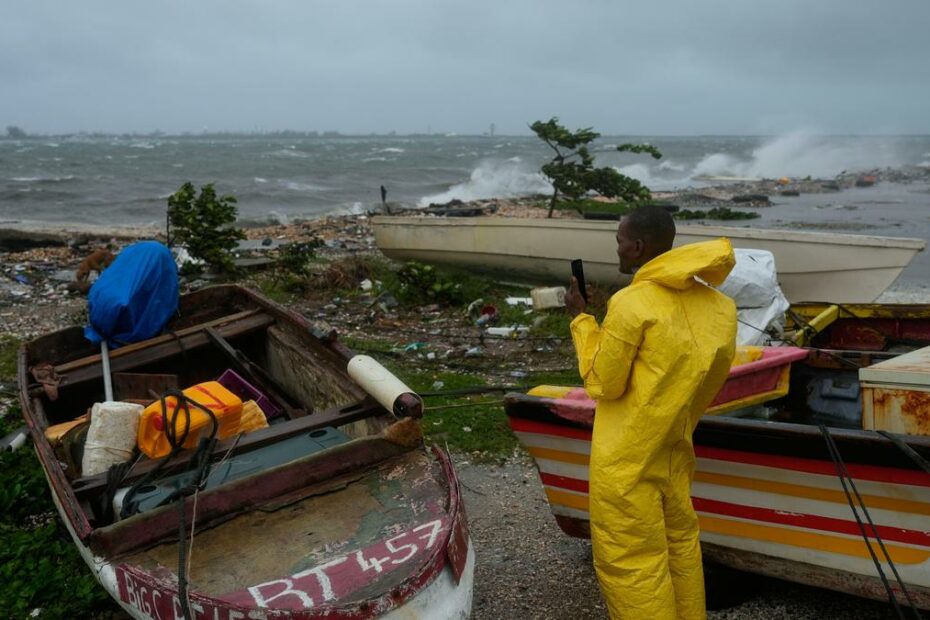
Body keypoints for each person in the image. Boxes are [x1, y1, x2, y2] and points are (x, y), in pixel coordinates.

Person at [565, 205, 737, 619]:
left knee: (632, 562)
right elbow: (706, 380)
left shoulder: (633, 303)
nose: (619, 251)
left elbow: (603, 383)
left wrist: (582, 320)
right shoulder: (720, 307)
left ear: (638, 246)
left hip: (626, 461)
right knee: (680, 546)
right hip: (675, 447)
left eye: (620, 243)